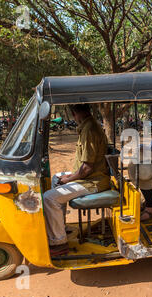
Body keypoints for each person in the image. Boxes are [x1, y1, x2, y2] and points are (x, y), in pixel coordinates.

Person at [43, 104, 111, 256]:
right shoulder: (88, 126)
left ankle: (58, 242)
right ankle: (60, 226)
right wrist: (66, 177)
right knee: (56, 178)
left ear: (74, 114)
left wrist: (68, 180)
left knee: (48, 198)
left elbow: (87, 168)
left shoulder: (89, 130)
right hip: (90, 176)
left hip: (95, 182)